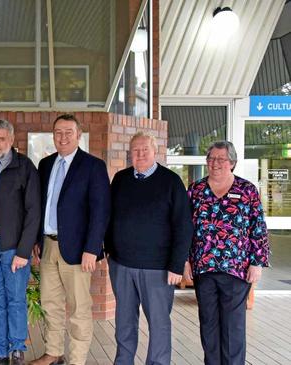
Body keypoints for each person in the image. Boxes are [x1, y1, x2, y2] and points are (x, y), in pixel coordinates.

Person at [104, 132, 192, 365]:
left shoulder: (171, 182)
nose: (140, 154)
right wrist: (109, 250)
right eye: (135, 150)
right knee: (124, 321)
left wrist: (176, 265)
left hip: (158, 269)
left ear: (155, 152)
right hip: (122, 265)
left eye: (145, 149)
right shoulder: (121, 179)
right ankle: (123, 361)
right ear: (129, 153)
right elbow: (108, 216)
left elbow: (183, 227)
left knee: (159, 323)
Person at [30, 114, 111, 365]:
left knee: (78, 308)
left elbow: (101, 210)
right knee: (50, 304)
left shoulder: (92, 166)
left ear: (79, 135)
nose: (62, 137)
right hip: (48, 246)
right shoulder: (45, 165)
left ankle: (76, 360)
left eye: (68, 132)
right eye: (58, 132)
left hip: (78, 251)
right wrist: (36, 239)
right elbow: (39, 205)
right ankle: (53, 353)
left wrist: (92, 248)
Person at [184, 140, 269, 365]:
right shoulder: (196, 190)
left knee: (233, 328)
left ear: (232, 162)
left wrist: (257, 262)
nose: (215, 163)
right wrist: (184, 261)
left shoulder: (247, 190)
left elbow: (258, 227)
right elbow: (184, 228)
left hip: (236, 270)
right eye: (211, 159)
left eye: (221, 159)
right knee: (208, 326)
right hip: (204, 268)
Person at [0, 120, 41, 365]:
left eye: (1, 139)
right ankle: (0, 352)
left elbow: (34, 212)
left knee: (15, 298)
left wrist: (24, 251)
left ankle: (17, 350)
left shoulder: (24, 167)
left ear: (11, 140)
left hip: (13, 246)